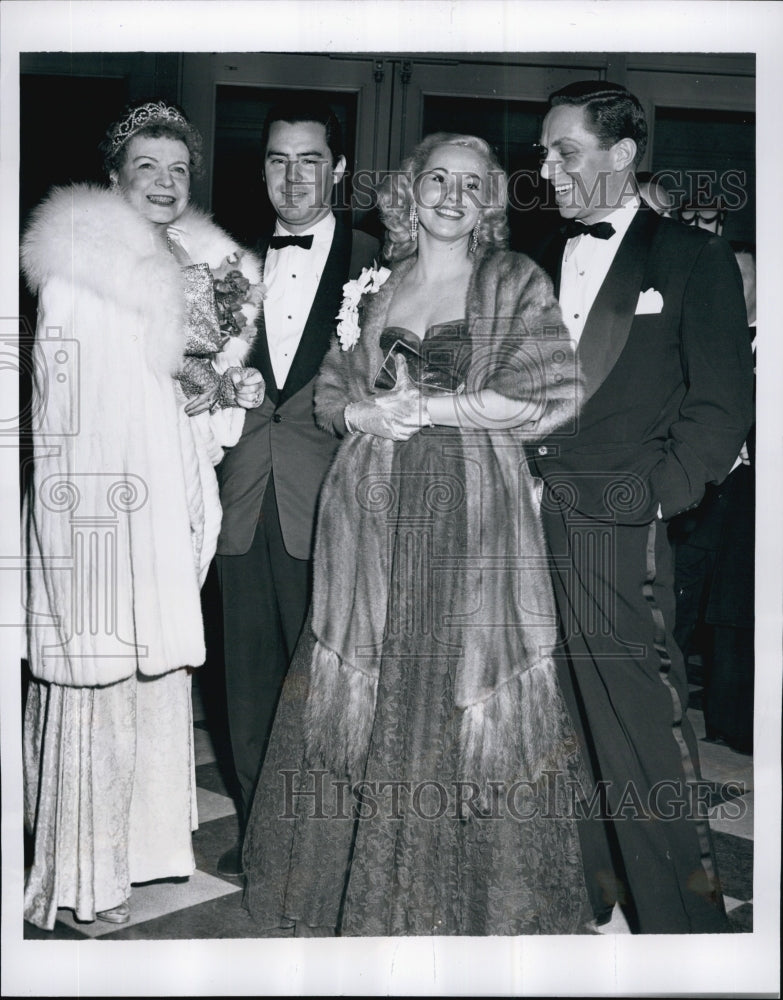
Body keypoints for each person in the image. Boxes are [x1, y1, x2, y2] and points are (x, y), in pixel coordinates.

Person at [240, 132, 594, 937]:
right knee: (370, 673)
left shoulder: (511, 280)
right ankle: (347, 894)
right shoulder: (375, 288)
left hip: (469, 514)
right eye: (437, 179)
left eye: (471, 186)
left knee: (461, 679)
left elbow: (550, 393)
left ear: (490, 205)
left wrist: (427, 410)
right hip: (369, 519)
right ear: (408, 190)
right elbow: (331, 396)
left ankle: (473, 903)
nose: (451, 196)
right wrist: (364, 412)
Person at [21, 99, 264, 929]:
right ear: (115, 178)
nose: (164, 184)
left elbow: (173, 385)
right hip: (99, 499)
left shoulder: (195, 265)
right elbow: (64, 406)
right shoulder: (80, 268)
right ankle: (85, 869)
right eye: (146, 169)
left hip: (167, 489)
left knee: (156, 672)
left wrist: (215, 392)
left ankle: (149, 851)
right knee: (100, 671)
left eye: (178, 170)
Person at [530, 80, 754, 933]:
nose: (546, 169)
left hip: (620, 524)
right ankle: (590, 892)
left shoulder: (690, 259)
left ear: (622, 156)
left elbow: (720, 404)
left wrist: (656, 498)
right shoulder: (532, 257)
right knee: (557, 717)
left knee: (643, 728)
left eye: (565, 152)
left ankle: (685, 927)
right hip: (526, 515)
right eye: (545, 151)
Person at [213, 97, 379, 878]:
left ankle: (324, 847)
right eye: (277, 160)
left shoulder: (381, 263)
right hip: (242, 502)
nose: (292, 177)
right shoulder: (226, 265)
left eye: (309, 159)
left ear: (337, 169)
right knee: (245, 689)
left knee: (330, 687)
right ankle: (262, 837)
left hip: (337, 506)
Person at [670, 242, 756, 753]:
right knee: (679, 601)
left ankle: (734, 722)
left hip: (749, 499)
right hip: (702, 495)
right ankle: (664, 714)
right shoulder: (703, 335)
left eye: (739, 279)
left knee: (736, 611)